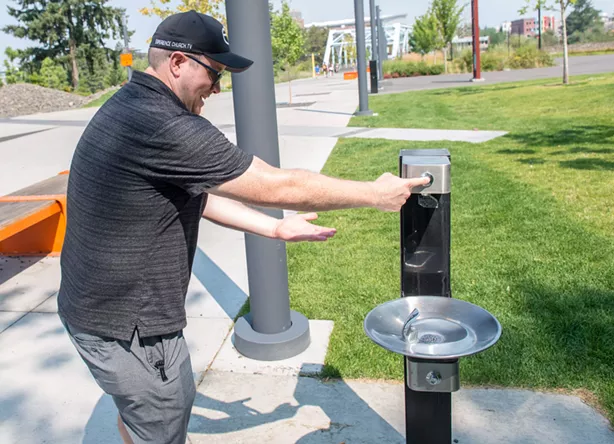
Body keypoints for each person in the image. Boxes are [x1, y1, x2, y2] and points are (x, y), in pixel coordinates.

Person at [57, 10, 429, 444]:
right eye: (214, 74)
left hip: (95, 311)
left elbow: (196, 195)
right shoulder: (164, 125)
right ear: (177, 63)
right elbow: (276, 184)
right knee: (163, 419)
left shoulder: (130, 103)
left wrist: (273, 230)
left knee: (141, 417)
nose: (217, 89)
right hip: (129, 329)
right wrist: (373, 193)